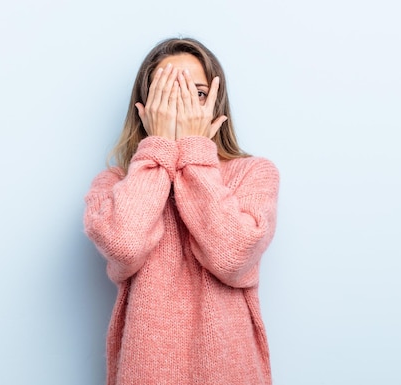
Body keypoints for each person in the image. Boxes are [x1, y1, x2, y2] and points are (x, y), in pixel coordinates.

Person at [84, 37, 279, 385]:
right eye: (168, 93)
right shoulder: (114, 182)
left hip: (230, 372)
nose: (183, 106)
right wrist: (157, 152)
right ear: (145, 108)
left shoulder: (254, 173)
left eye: (198, 93)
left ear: (217, 103)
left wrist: (193, 152)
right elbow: (125, 246)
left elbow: (233, 257)